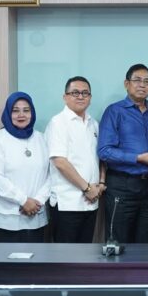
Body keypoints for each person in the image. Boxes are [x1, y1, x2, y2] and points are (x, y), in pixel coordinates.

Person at [97, 64, 148, 243]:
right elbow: (104, 151)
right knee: (118, 243)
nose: (142, 85)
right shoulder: (114, 111)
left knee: (147, 244)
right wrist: (137, 158)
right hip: (122, 186)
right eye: (137, 80)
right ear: (126, 84)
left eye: (147, 82)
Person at [0, 92, 50, 242]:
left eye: (26, 110)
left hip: (34, 215)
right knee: (0, 258)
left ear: (32, 113)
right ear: (8, 113)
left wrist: (38, 201)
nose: (21, 115)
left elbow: (51, 175)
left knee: (33, 257)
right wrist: (23, 200)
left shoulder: (41, 138)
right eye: (15, 110)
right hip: (2, 217)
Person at [44, 76, 106, 243]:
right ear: (65, 97)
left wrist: (101, 182)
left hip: (91, 202)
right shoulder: (58, 122)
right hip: (67, 203)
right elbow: (60, 162)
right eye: (75, 93)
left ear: (90, 98)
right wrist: (87, 188)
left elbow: (100, 157)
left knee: (86, 253)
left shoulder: (93, 124)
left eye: (85, 93)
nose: (80, 96)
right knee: (66, 255)